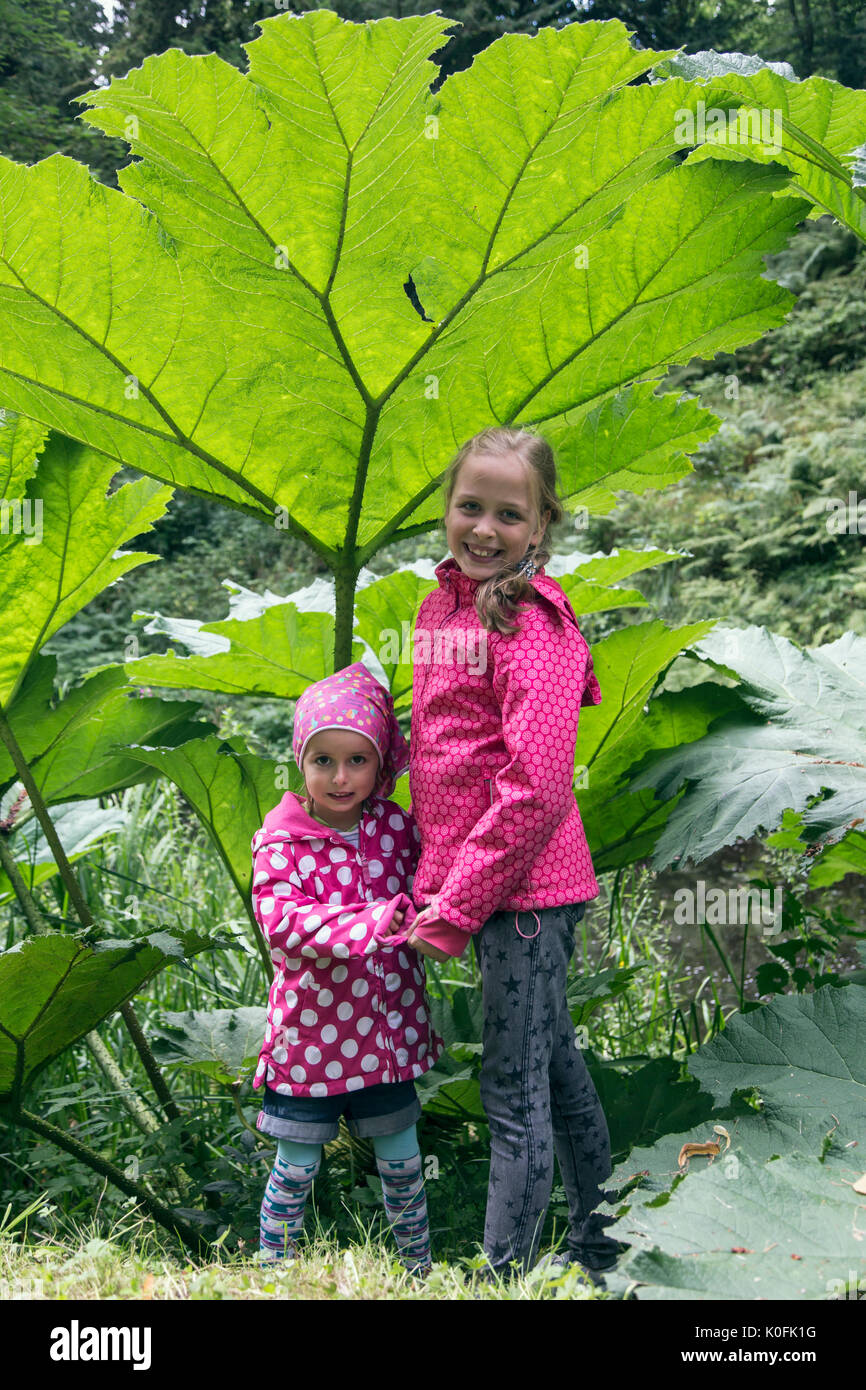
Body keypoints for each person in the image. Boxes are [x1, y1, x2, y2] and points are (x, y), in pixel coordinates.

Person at [388, 423, 620, 1285]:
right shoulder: (441, 605)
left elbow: (536, 787)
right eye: (469, 507)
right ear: (447, 509)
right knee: (553, 1068)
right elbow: (447, 747)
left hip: (524, 898)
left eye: (509, 515)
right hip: (484, 890)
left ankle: (500, 1277)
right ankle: (601, 1248)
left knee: (512, 1094)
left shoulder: (539, 626)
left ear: (543, 524)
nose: (485, 529)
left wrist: (459, 905)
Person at [250, 661, 444, 1273]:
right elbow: (281, 921)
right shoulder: (281, 841)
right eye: (323, 760)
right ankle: (273, 1272)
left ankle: (418, 1269)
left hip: (386, 1030)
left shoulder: (395, 826)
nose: (339, 777)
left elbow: (428, 883)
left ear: (381, 763)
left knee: (403, 1156)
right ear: (300, 761)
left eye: (357, 761)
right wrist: (369, 924)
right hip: (311, 1033)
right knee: (297, 1163)